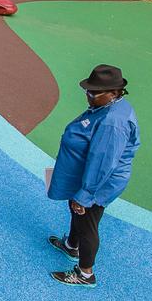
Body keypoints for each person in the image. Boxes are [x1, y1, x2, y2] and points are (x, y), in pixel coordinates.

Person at [46, 64, 141, 286]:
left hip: (98, 183)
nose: (89, 96)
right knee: (77, 211)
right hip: (87, 175)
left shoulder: (112, 123)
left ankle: (85, 273)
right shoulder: (108, 108)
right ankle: (71, 245)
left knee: (87, 219)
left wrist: (86, 193)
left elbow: (102, 162)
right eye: (88, 91)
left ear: (114, 93)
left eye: (94, 93)